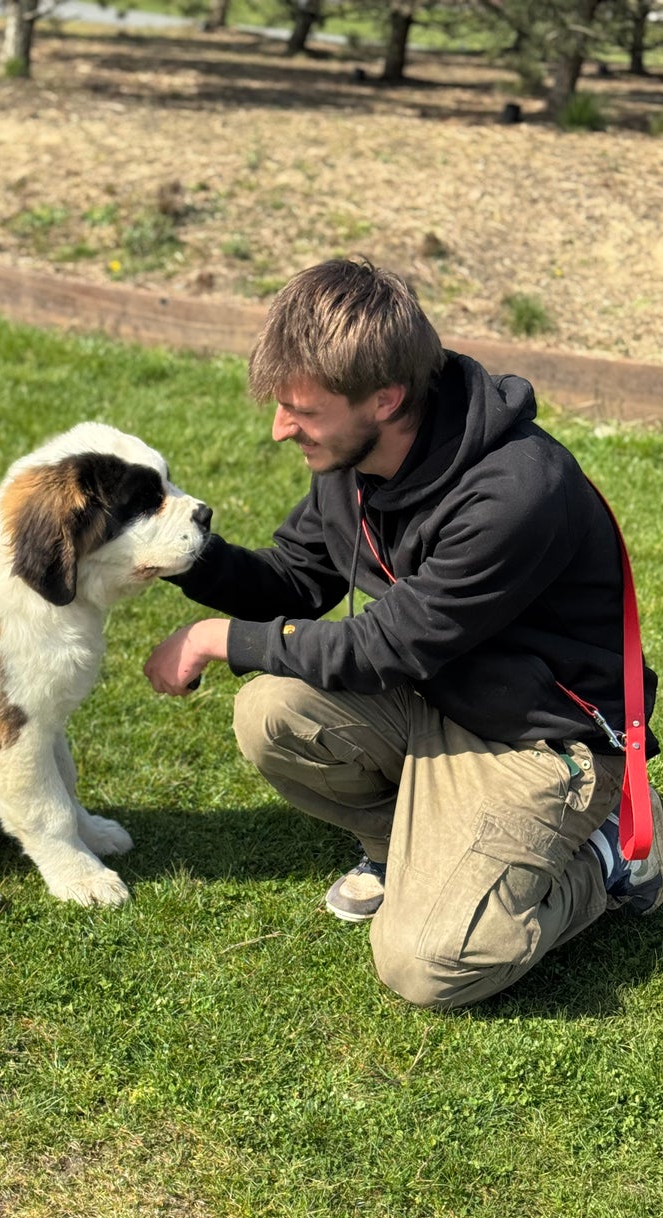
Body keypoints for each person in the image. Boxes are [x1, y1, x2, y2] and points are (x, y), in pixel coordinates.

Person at [144, 258, 663, 1010]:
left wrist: (214, 638)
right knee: (271, 711)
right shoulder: (354, 458)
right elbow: (296, 580)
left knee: (430, 964)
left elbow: (384, 647)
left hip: (541, 739)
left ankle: (611, 853)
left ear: (385, 397)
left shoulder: (516, 492)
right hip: (437, 696)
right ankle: (405, 849)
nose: (280, 427)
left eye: (302, 411)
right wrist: (176, 554)